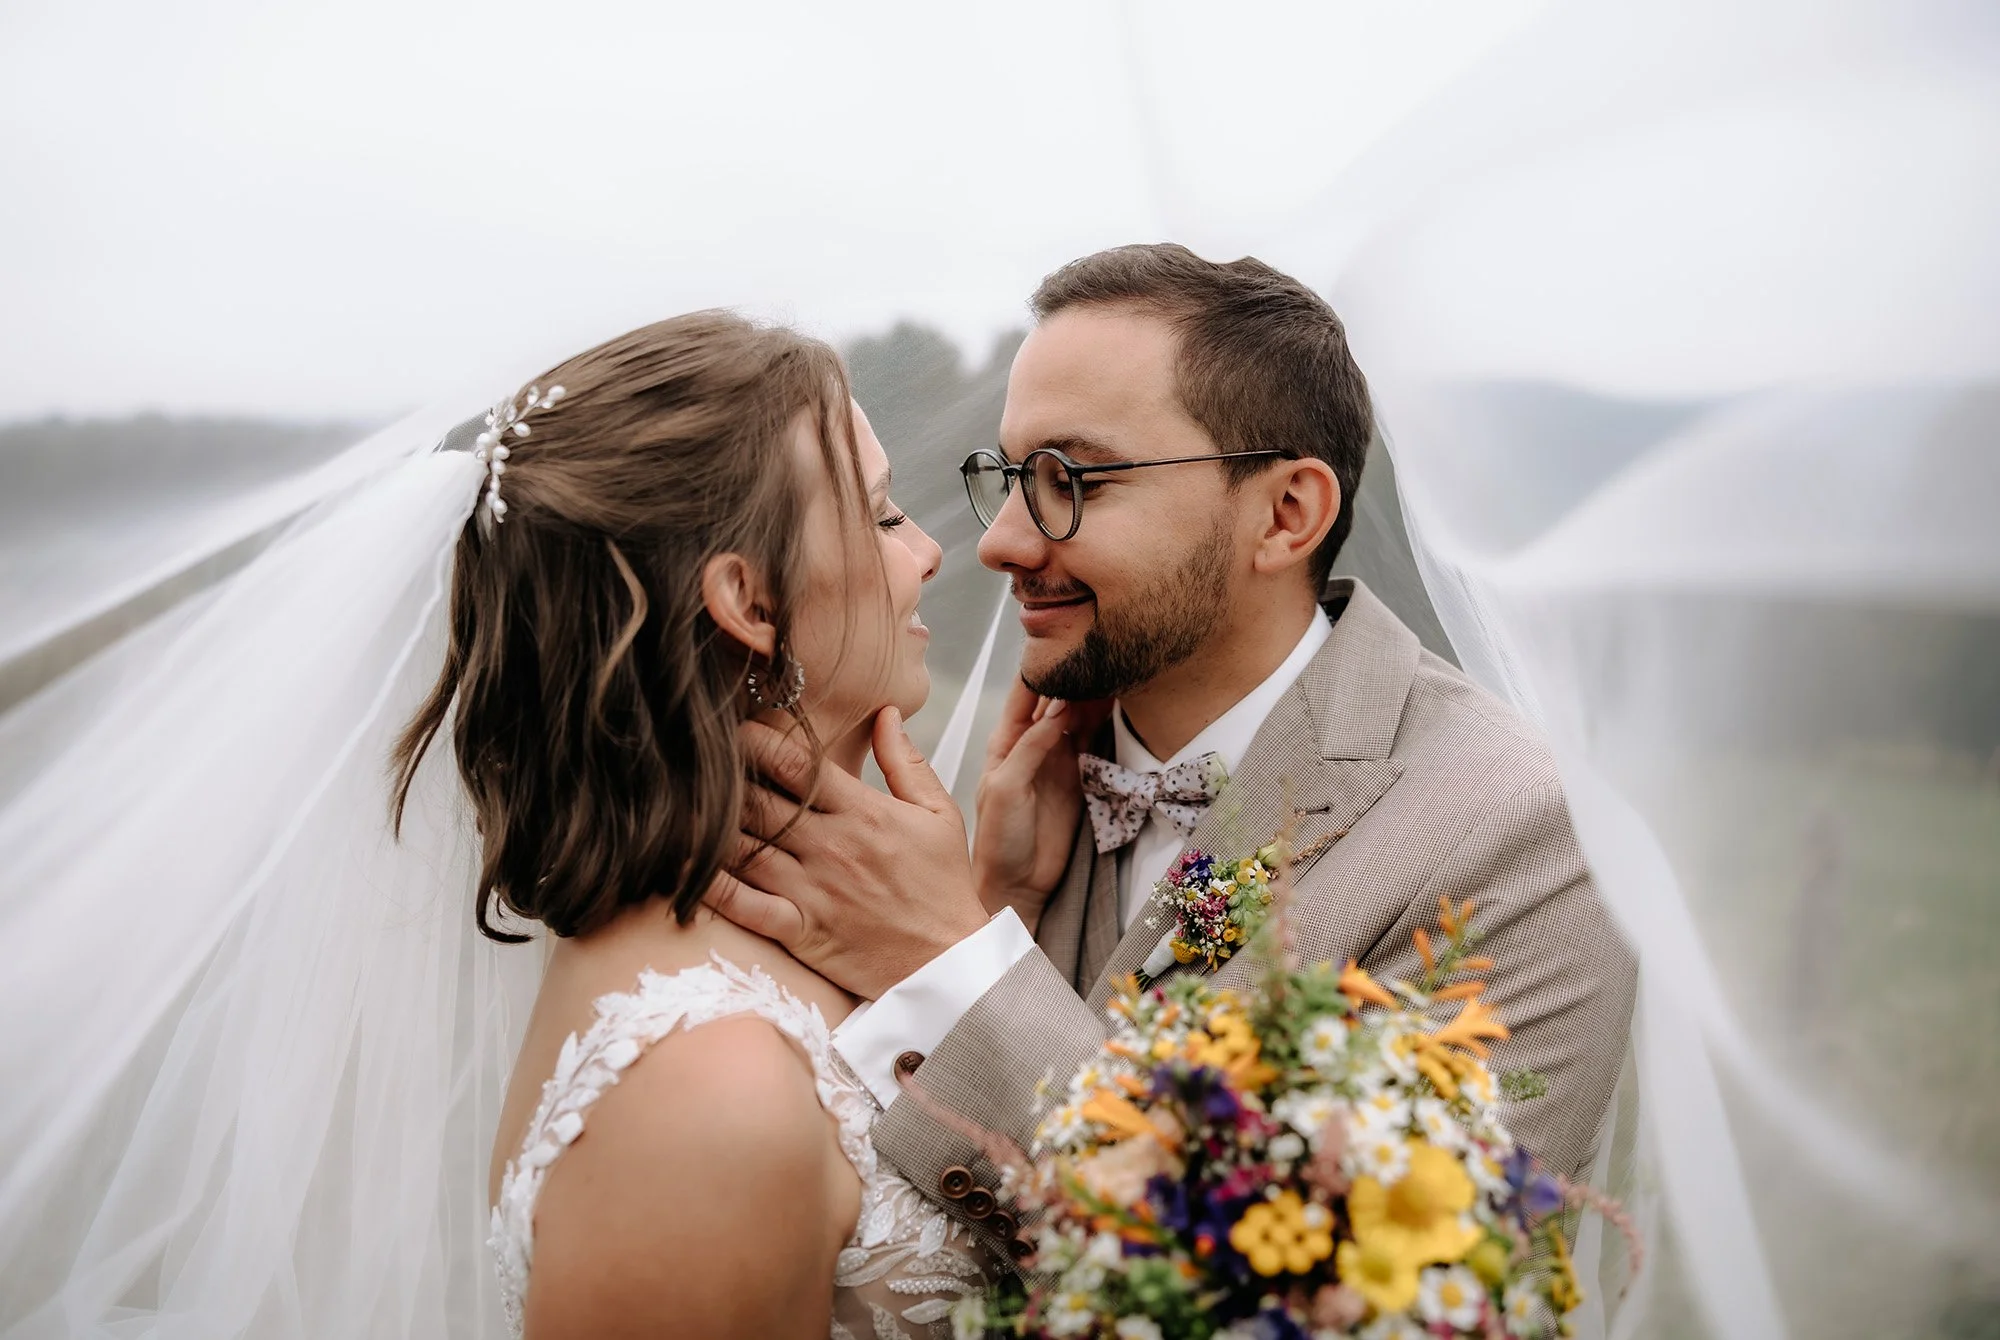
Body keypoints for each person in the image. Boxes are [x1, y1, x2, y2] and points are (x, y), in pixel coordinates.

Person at [0, 312, 991, 1340]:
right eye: (878, 514)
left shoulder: (810, 935)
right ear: (747, 598)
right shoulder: (701, 1088)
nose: (926, 552)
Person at [711, 245, 1639, 1257]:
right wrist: (1001, 903)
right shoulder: (1036, 791)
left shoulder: (1520, 830)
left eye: (1068, 479)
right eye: (1010, 477)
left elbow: (1373, 1300)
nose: (1001, 543)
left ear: (1286, 513)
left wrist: (954, 957)